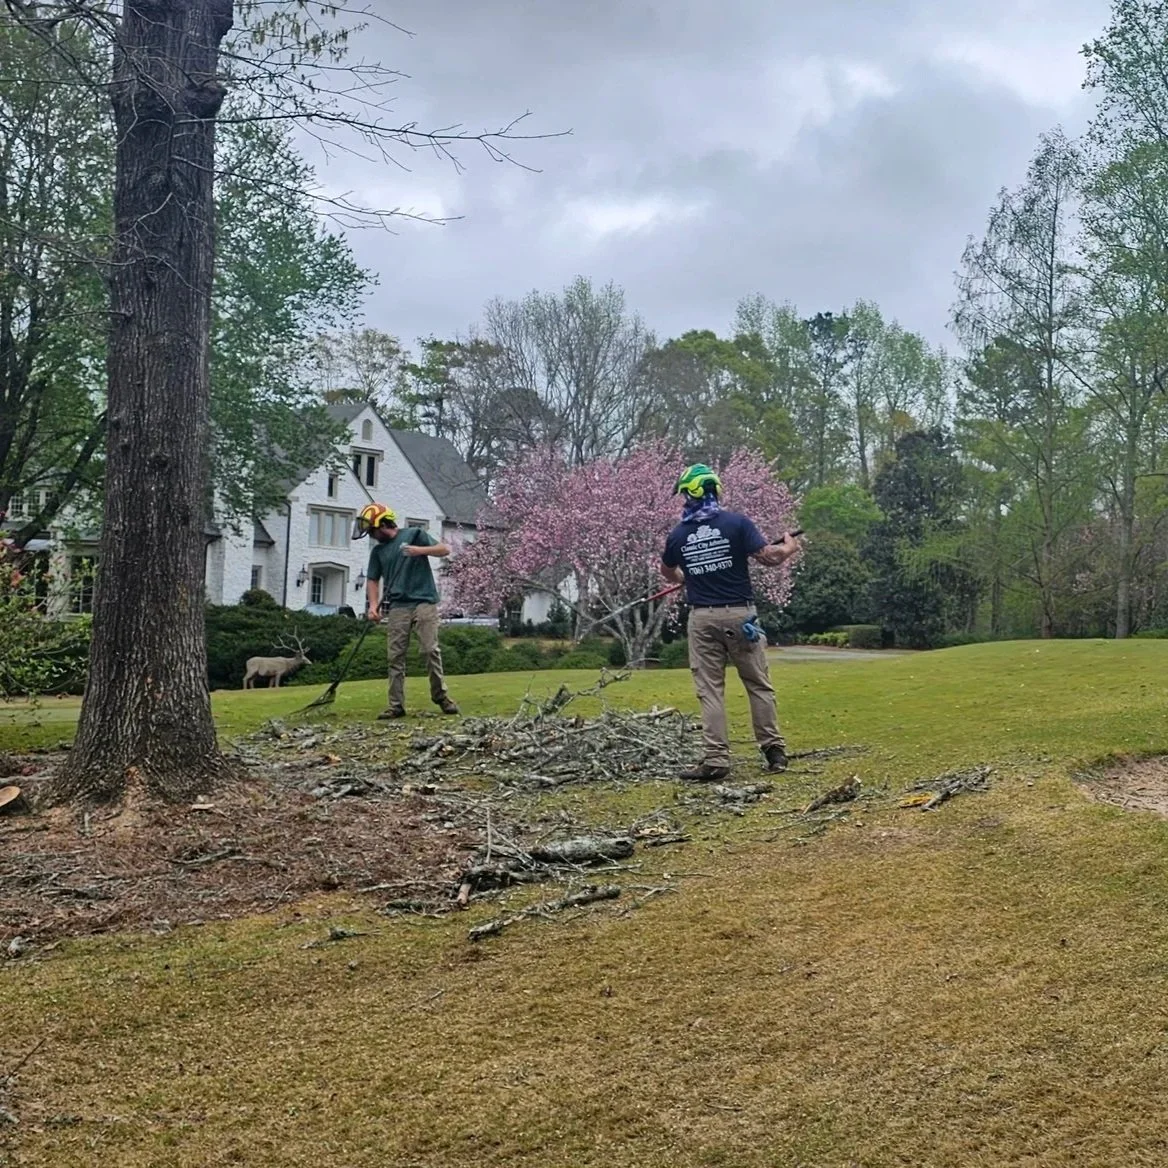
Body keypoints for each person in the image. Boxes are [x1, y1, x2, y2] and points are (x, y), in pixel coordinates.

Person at [660, 464, 800, 781]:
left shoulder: (678, 535)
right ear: (714, 489)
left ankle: (716, 760)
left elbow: (667, 572)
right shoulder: (737, 523)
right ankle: (774, 752)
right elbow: (768, 556)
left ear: (689, 494)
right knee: (758, 683)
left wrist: (685, 576)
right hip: (741, 615)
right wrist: (789, 549)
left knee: (710, 690)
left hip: (702, 618)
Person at [352, 502, 460, 719]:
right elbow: (373, 580)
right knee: (395, 656)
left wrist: (418, 551)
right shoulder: (378, 551)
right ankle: (396, 706)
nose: (372, 535)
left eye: (372, 530)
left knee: (430, 650)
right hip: (398, 606)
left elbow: (444, 550)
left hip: (424, 601)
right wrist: (373, 607)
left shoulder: (414, 534)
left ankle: (441, 697)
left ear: (382, 525)